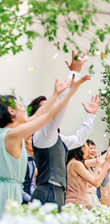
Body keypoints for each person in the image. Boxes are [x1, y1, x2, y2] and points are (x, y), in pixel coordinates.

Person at [0, 74, 89, 215]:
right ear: (11, 111)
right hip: (6, 194)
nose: (24, 110)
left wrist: (56, 93)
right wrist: (71, 90)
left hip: (12, 191)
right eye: (20, 106)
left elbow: (37, 116)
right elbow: (49, 116)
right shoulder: (13, 135)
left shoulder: (12, 133)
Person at [31, 52, 96, 207]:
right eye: (45, 106)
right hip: (47, 191)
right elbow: (59, 112)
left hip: (58, 191)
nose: (51, 106)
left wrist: (90, 116)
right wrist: (74, 73)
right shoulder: (43, 134)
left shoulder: (57, 139)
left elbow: (80, 139)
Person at [65, 143, 110, 208]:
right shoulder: (76, 163)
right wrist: (107, 163)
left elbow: (90, 184)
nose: (88, 153)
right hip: (75, 204)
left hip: (79, 203)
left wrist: (98, 165)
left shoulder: (75, 162)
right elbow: (96, 183)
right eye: (88, 149)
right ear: (82, 148)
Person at [22, 136, 36, 203]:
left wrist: (35, 198)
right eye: (32, 140)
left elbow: (31, 184)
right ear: (25, 143)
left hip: (27, 200)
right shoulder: (21, 160)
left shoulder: (32, 162)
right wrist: (29, 198)